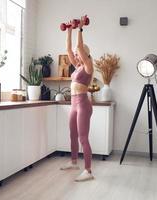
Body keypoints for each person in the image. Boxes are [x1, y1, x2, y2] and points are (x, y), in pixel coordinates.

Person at [60, 16, 94, 182]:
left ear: (85, 54)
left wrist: (80, 28)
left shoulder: (88, 66)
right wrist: (69, 31)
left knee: (83, 138)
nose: (75, 54)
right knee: (72, 134)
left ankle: (88, 171)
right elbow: (69, 50)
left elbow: (79, 48)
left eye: (78, 53)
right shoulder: (78, 66)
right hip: (73, 105)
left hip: (83, 105)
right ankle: (74, 162)